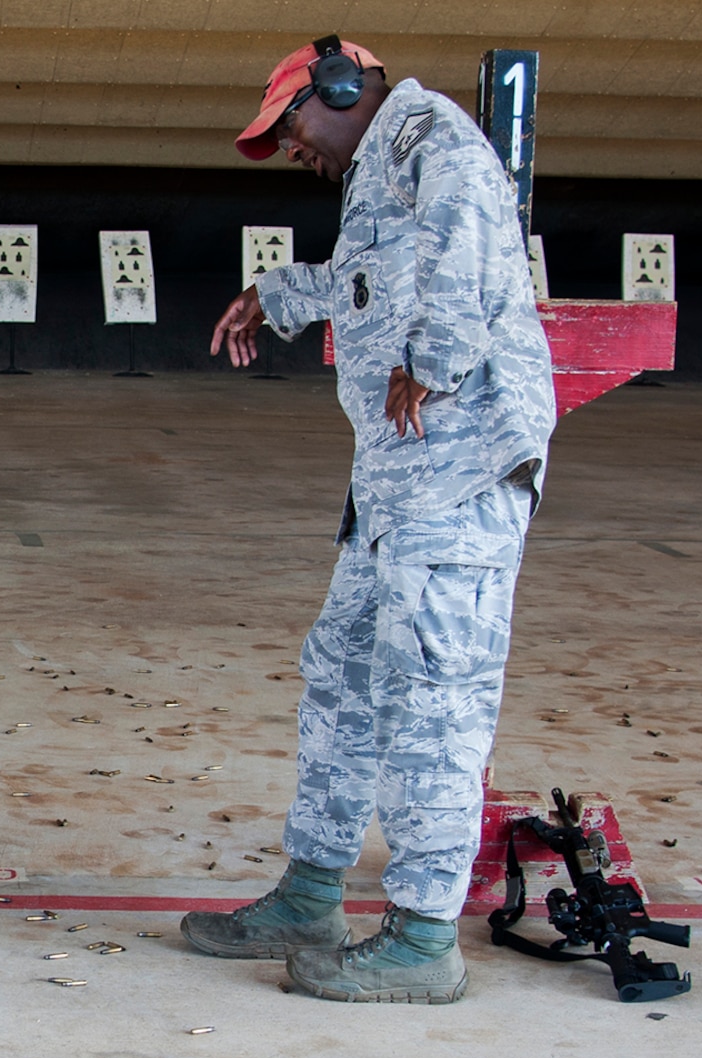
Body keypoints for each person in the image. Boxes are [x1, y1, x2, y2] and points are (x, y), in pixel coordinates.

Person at [190, 36, 555, 1002]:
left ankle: (424, 936)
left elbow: (473, 232)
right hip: (396, 490)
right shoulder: (378, 173)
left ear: (340, 88)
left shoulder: (432, 140)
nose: (295, 148)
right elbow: (364, 286)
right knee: (344, 673)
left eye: (293, 125)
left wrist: (428, 358)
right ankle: (312, 891)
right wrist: (273, 296)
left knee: (437, 698)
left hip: (457, 476)